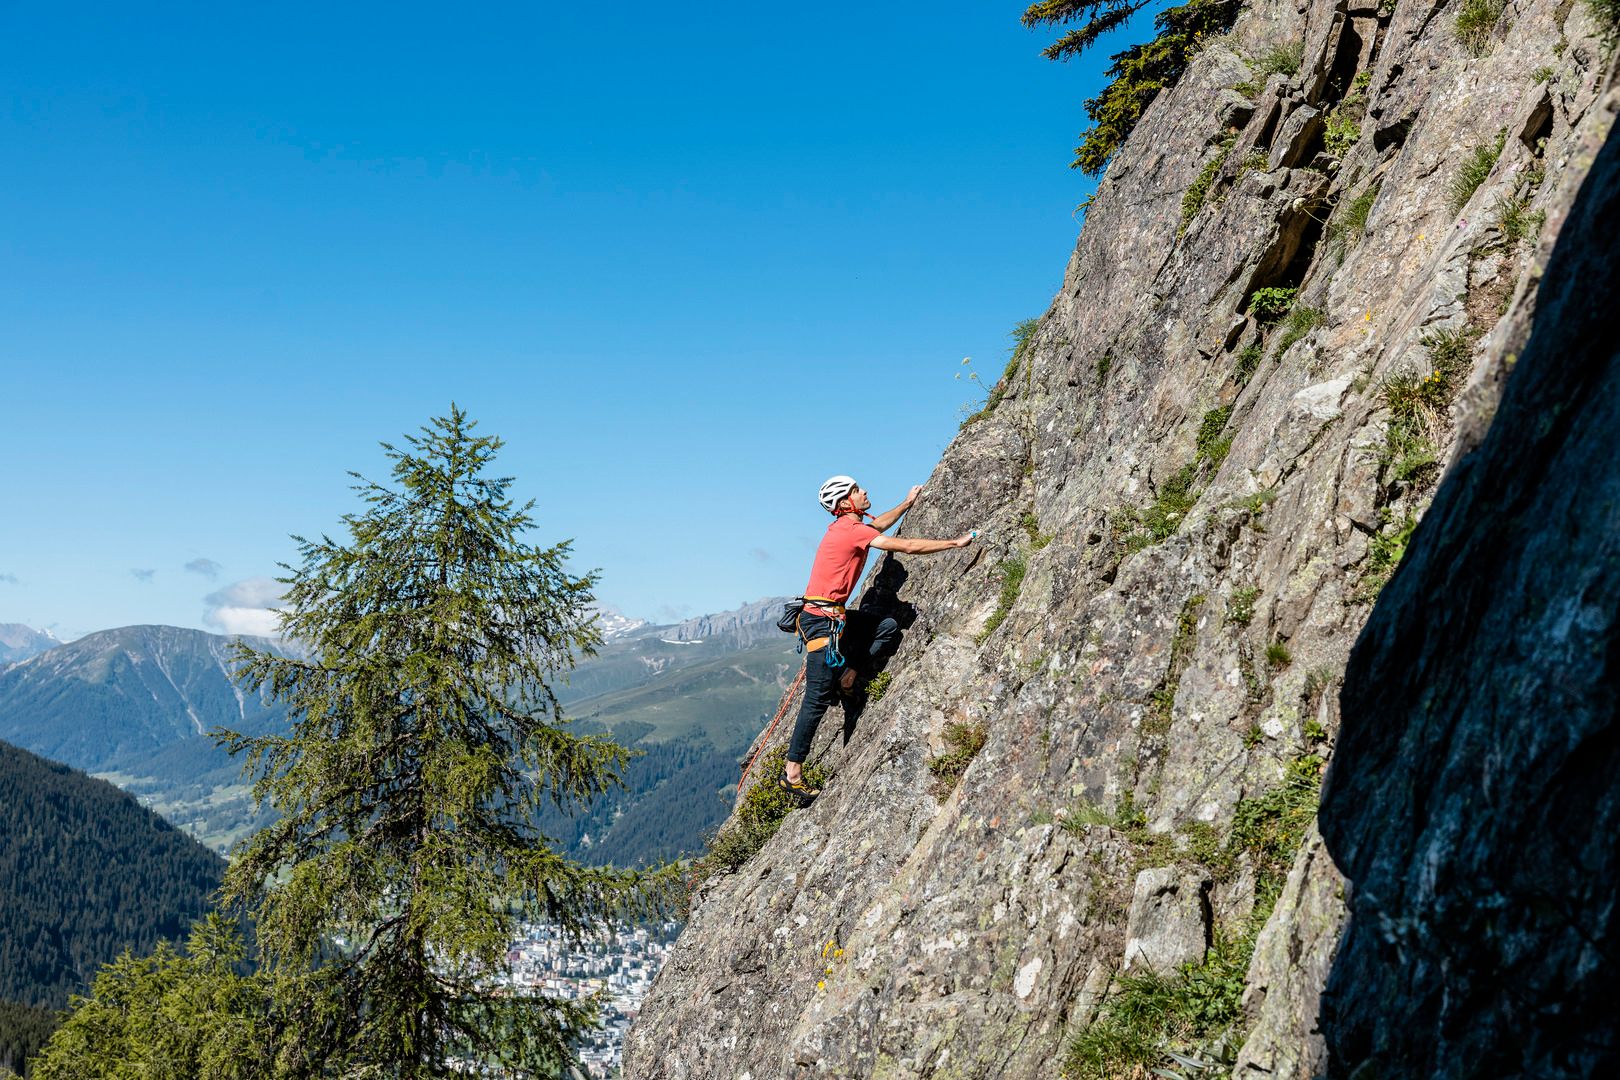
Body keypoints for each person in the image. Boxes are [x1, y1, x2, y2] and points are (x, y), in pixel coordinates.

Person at [780, 475, 975, 805]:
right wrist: (954, 544)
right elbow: (907, 546)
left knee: (884, 626)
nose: (864, 490)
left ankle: (849, 674)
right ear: (845, 503)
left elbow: (877, 527)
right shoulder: (849, 531)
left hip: (832, 619)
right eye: (856, 490)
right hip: (820, 624)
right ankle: (792, 773)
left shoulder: (849, 528)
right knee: (815, 698)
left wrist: (907, 503)